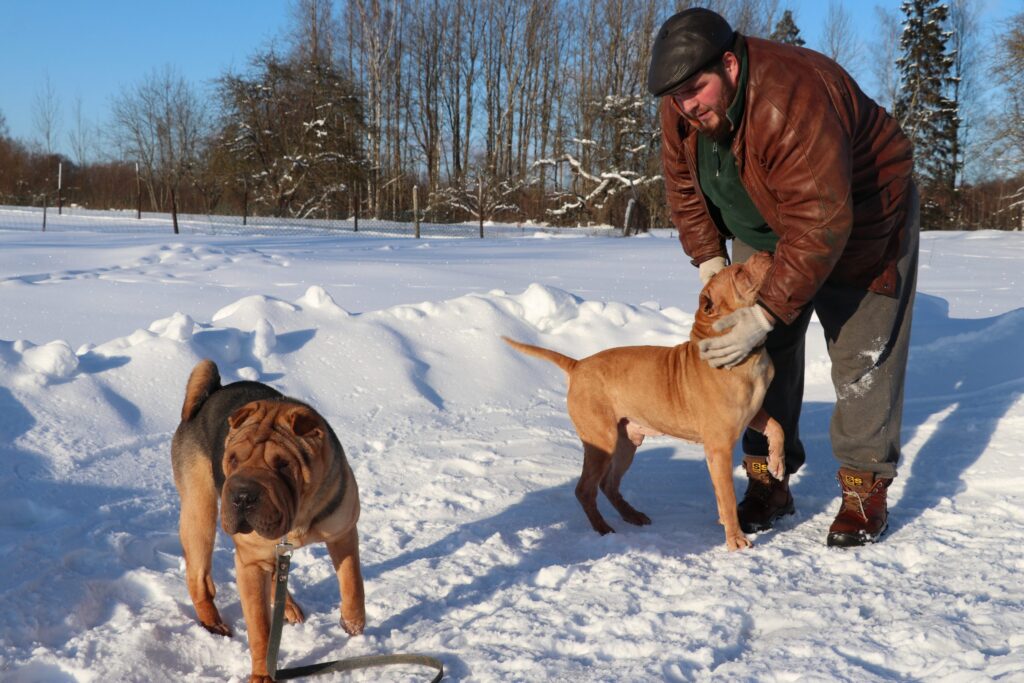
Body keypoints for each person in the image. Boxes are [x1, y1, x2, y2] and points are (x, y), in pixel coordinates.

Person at [647, 8, 919, 546]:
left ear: (729, 64)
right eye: (677, 97)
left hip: (861, 219)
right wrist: (712, 264)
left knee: (861, 352)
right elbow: (683, 189)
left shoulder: (790, 100)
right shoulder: (682, 103)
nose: (687, 106)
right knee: (760, 350)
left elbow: (821, 223)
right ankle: (769, 479)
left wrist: (767, 310)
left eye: (696, 90)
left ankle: (864, 486)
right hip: (767, 219)